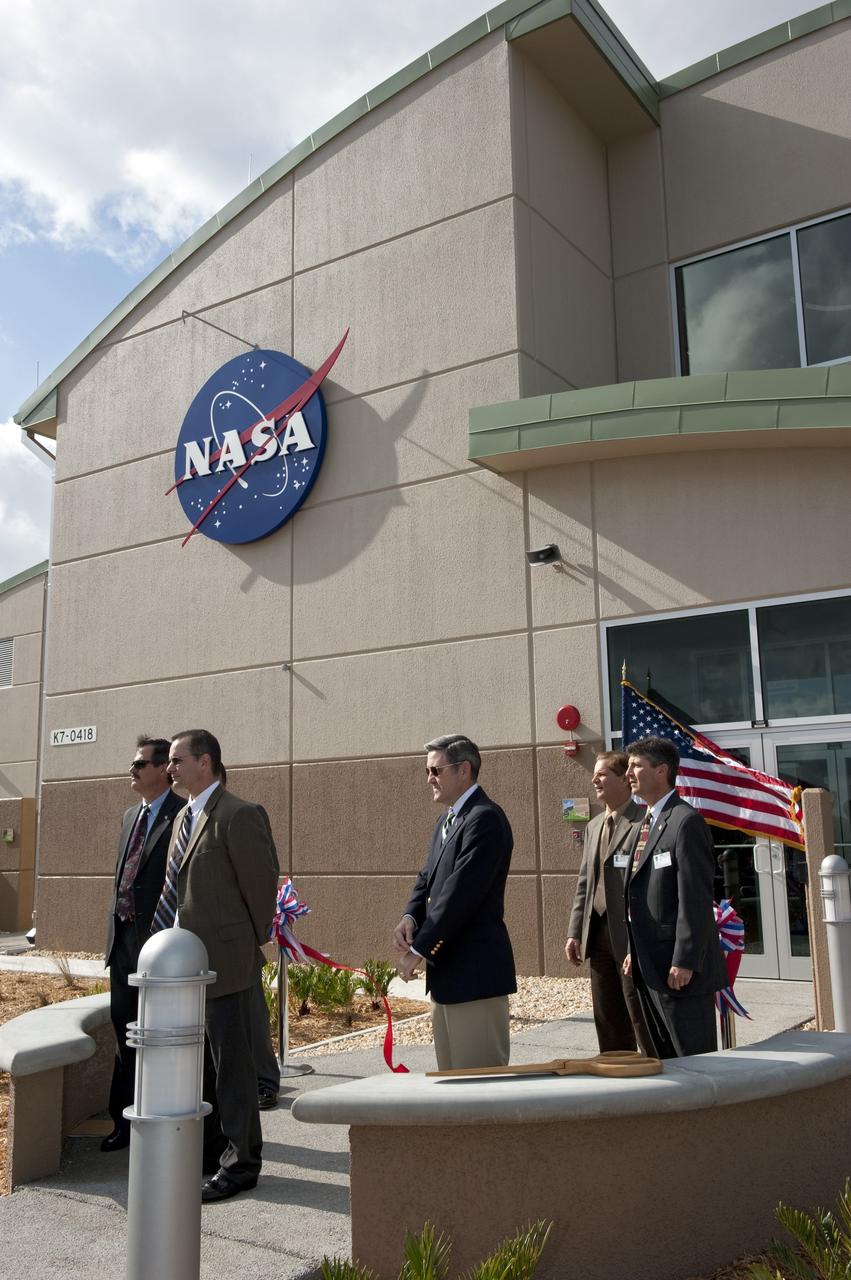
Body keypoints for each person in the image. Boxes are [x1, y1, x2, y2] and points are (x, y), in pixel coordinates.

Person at [155, 730, 279, 1202]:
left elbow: (260, 890)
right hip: (184, 966)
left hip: (226, 966)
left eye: (177, 760)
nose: (171, 768)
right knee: (203, 1068)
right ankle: (212, 1152)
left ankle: (242, 1163)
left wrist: (244, 945)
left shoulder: (237, 815)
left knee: (232, 1070)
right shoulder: (184, 816)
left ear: (204, 762)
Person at [392, 734, 516, 1070]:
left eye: (435, 770)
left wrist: (418, 950)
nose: (429, 778)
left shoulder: (485, 818)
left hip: (475, 976)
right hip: (448, 976)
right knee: (451, 1081)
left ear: (463, 770)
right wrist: (410, 917)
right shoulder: (448, 821)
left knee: (480, 1083)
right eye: (427, 771)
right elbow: (427, 879)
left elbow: (460, 893)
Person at [102, 735, 183, 1151]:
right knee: (124, 1030)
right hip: (122, 941)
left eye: (139, 764)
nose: (131, 770)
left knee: (158, 1033)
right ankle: (122, 1121)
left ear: (163, 770)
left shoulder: (182, 815)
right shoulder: (129, 815)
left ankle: (162, 1116)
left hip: (158, 942)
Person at [623, 735, 727, 1058]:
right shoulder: (646, 822)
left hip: (678, 972)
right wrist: (632, 949)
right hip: (648, 963)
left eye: (636, 765)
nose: (628, 773)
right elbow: (640, 893)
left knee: (693, 1060)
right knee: (662, 1057)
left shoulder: (685, 822)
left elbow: (694, 898)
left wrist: (684, 959)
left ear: (661, 771)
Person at [565, 751, 653, 1054]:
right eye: (594, 774)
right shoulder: (593, 826)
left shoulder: (643, 821)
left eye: (602, 774)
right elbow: (584, 884)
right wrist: (574, 931)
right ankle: (616, 1067)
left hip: (629, 935)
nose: (594, 780)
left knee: (637, 1011)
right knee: (606, 1014)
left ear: (624, 780)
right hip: (597, 931)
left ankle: (655, 1068)